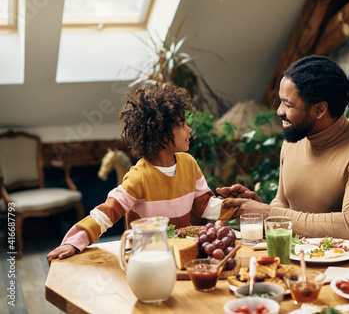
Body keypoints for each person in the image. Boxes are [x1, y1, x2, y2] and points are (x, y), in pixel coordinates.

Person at [47, 83, 234, 263]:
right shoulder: (139, 177)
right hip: (146, 260)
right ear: (162, 133)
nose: (189, 129)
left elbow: (205, 204)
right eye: (182, 124)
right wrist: (74, 241)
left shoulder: (189, 164)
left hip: (181, 256)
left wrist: (241, 206)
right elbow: (107, 213)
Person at [217, 55, 349, 248]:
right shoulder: (295, 137)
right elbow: (281, 203)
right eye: (281, 102)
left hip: (342, 272)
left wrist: (271, 215)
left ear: (319, 110)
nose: (279, 111)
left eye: (288, 105)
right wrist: (260, 208)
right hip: (296, 262)